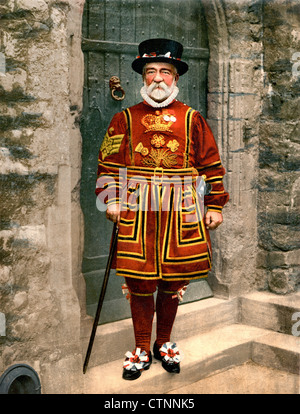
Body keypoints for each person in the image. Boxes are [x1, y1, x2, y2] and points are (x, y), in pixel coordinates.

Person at [96, 38, 229, 380]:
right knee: (140, 281)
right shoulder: (124, 118)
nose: (157, 78)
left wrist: (214, 204)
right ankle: (141, 348)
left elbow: (212, 166)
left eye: (165, 72)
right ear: (142, 76)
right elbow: (107, 165)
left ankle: (164, 342)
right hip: (138, 211)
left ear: (176, 78)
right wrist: (111, 199)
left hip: (181, 210)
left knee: (173, 281)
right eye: (151, 71)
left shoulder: (192, 119)